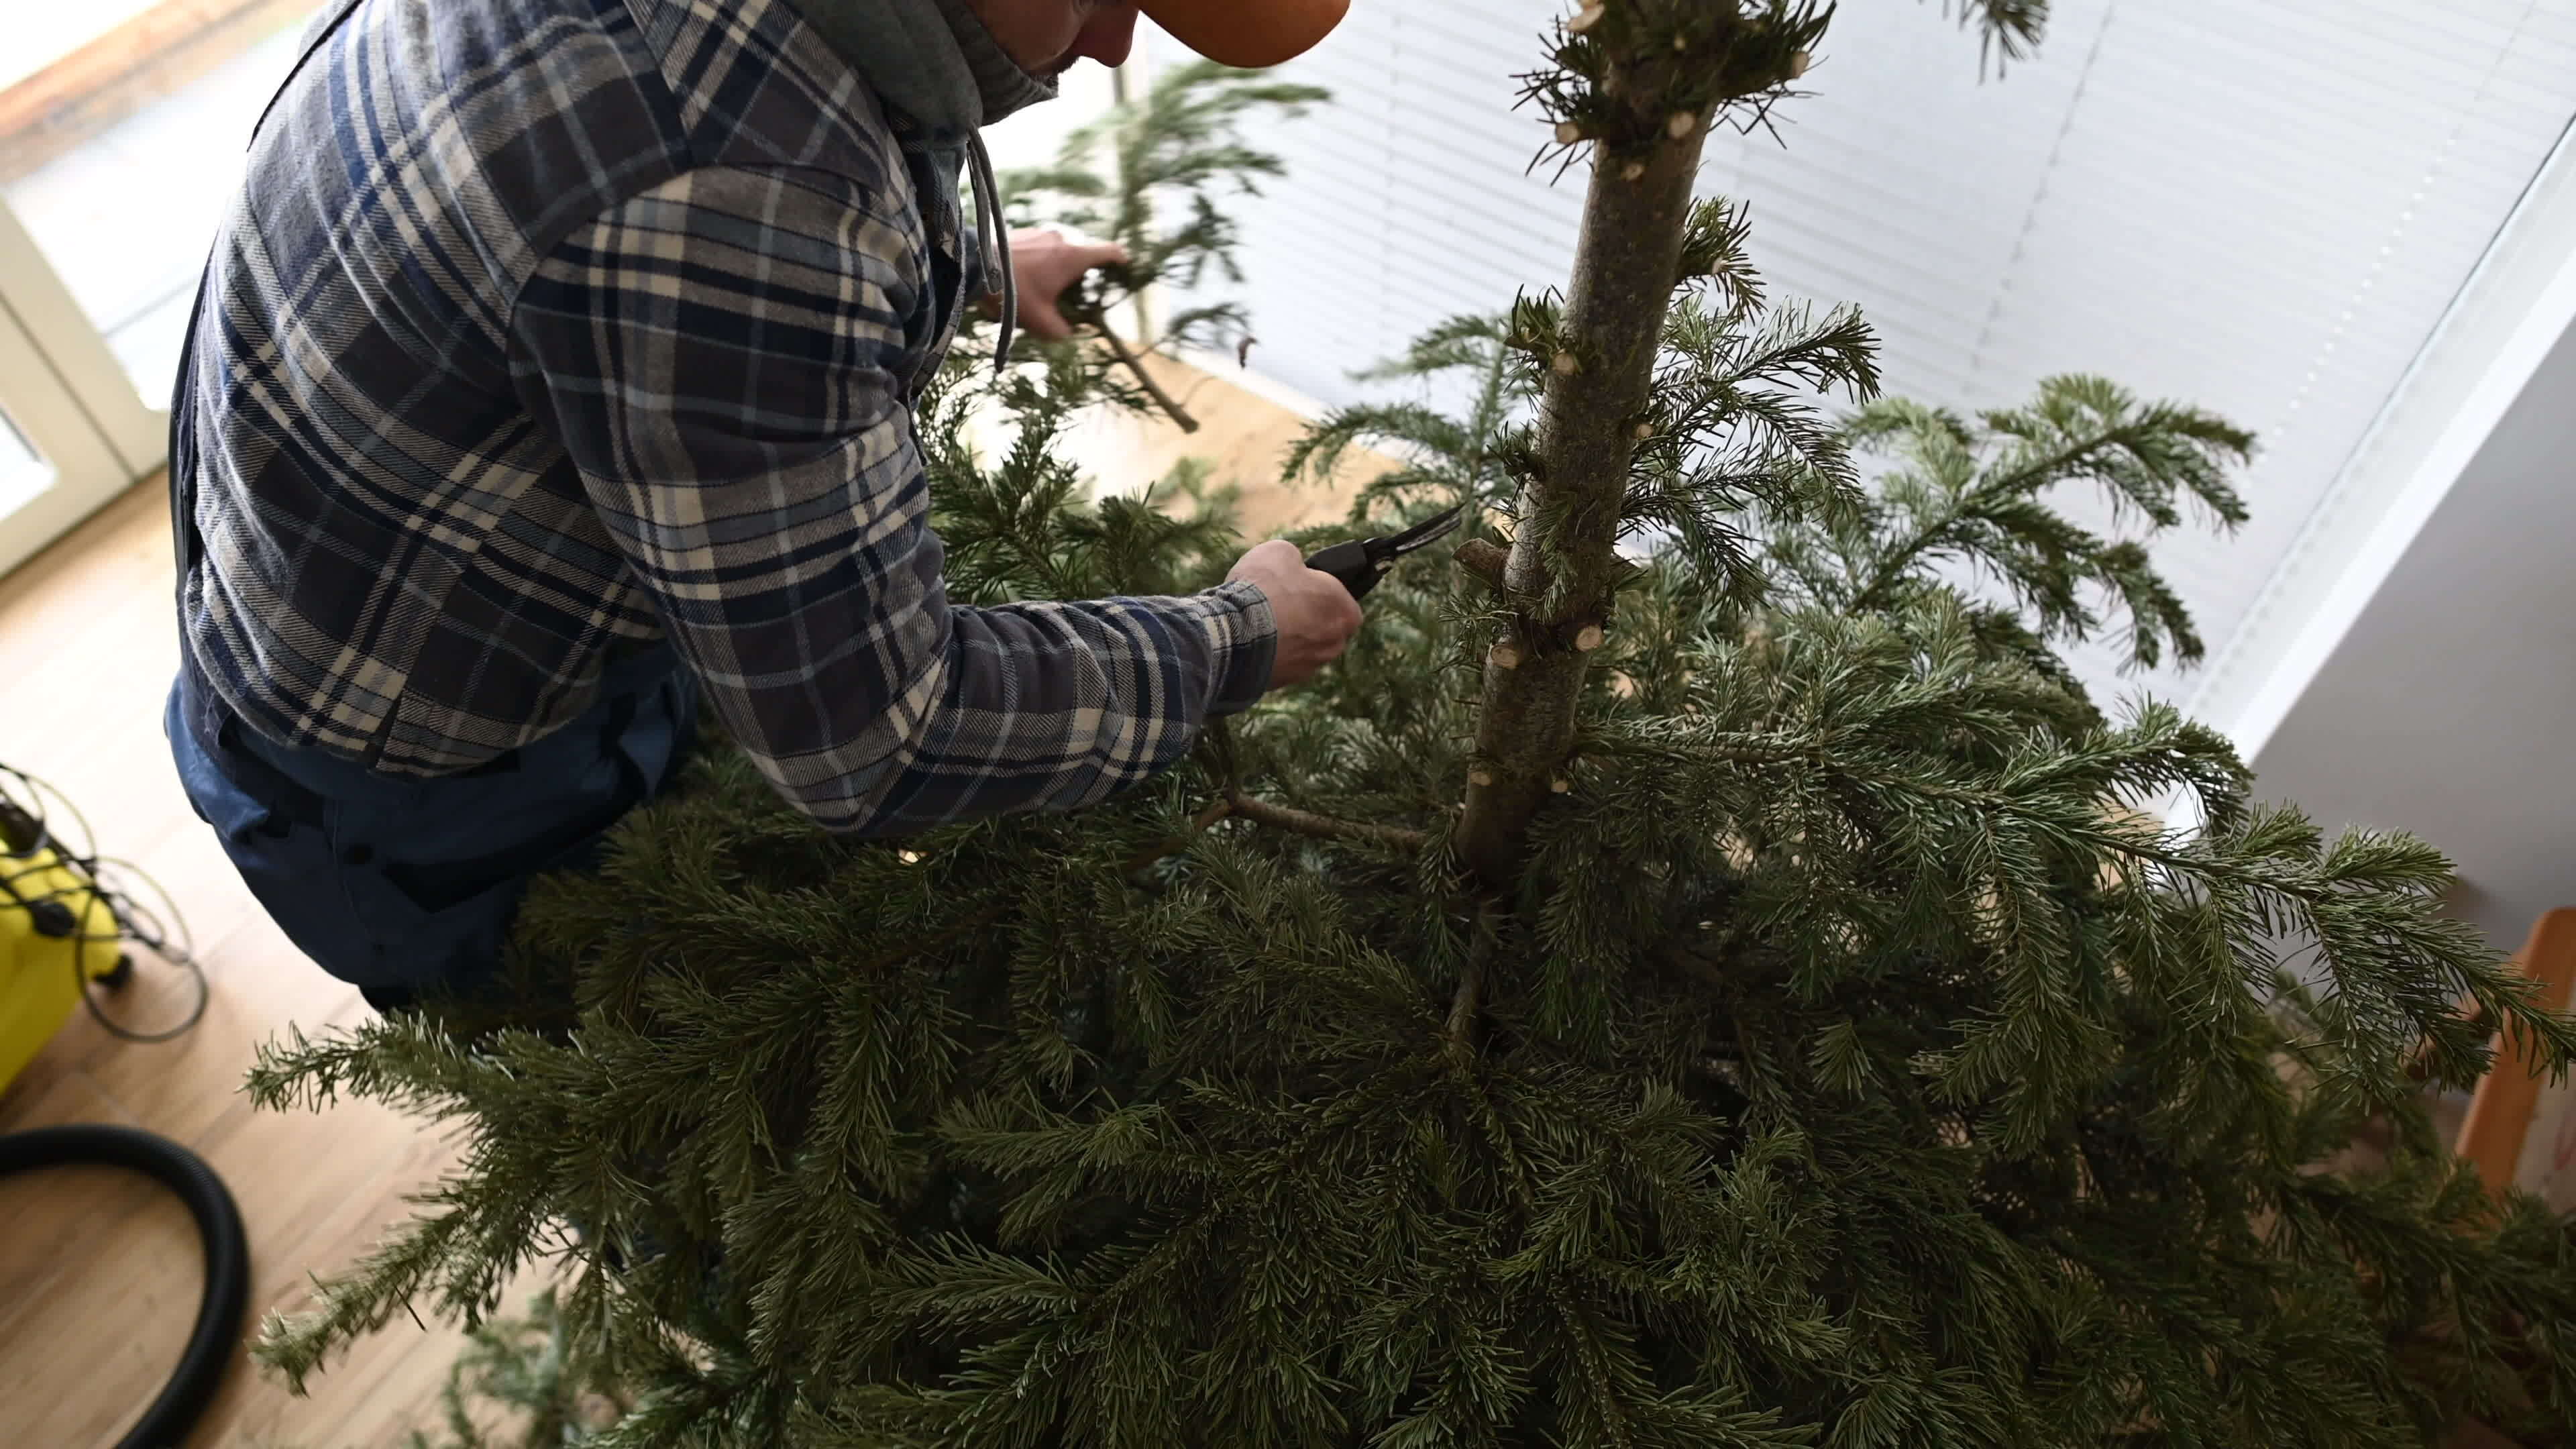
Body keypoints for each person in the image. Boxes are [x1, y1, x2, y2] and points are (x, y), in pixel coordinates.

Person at [164, 0, 1362, 1014]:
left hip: (317, 590)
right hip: (432, 803)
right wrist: (1236, 641)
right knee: (634, 1083)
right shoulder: (726, 192)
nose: (1108, 45)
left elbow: (582, 215)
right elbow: (882, 739)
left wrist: (963, 260)